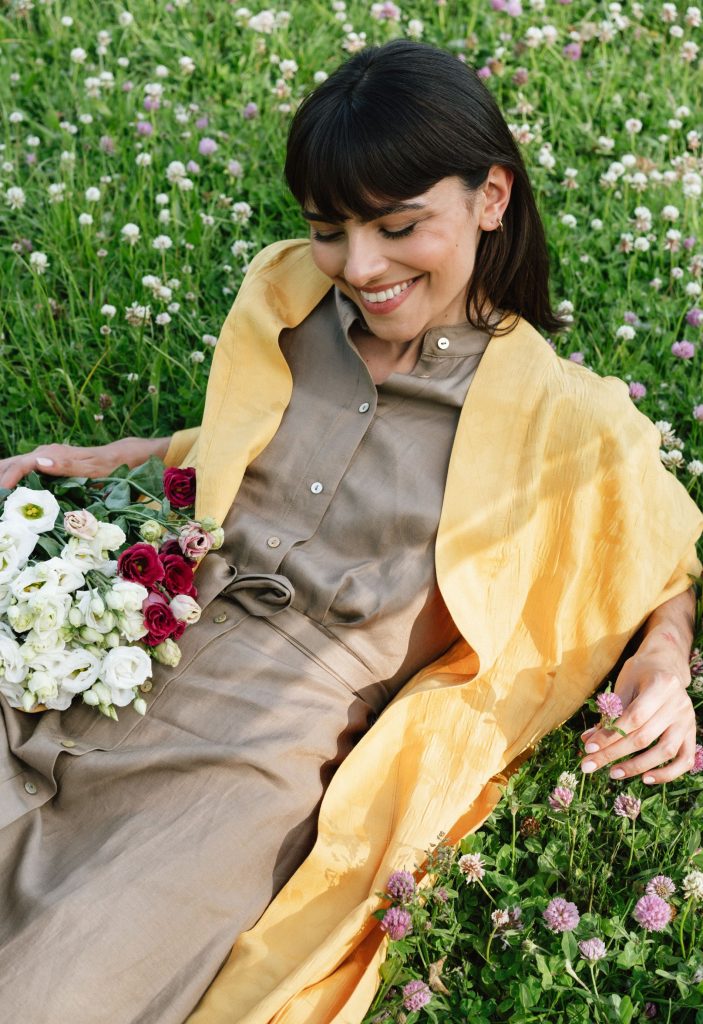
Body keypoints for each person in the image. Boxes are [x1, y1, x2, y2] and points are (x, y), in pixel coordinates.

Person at [0, 39, 701, 1024]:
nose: (360, 266)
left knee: (45, 989)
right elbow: (239, 444)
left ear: (489, 196)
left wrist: (664, 657)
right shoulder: (288, 302)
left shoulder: (565, 420)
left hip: (259, 747)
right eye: (332, 229)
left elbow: (657, 544)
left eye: (398, 226)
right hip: (120, 629)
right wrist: (106, 459)